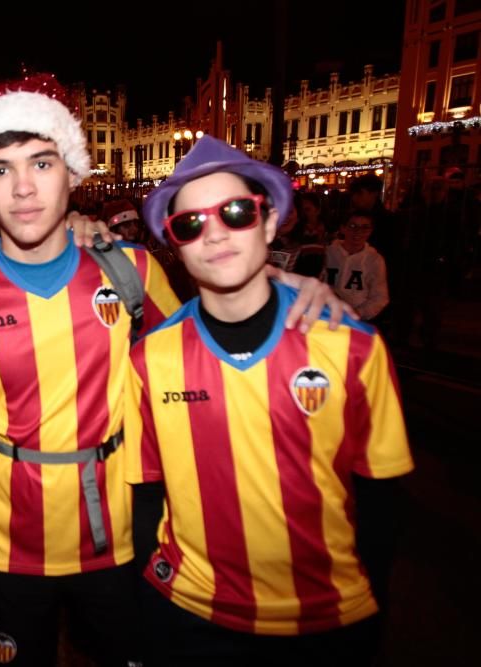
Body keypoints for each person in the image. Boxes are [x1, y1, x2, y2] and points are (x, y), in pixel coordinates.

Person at [0, 76, 347, 666]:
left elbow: (214, 336)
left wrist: (273, 284)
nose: (24, 188)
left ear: (73, 172)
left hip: (124, 542)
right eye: (1, 170)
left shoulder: (131, 272)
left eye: (42, 162)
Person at [127, 136, 413, 665]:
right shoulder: (149, 359)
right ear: (176, 245)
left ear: (267, 220)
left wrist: (371, 606)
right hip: (189, 617)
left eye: (235, 212)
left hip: (327, 621)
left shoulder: (353, 346)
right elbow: (145, 494)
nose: (213, 234)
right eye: (190, 224)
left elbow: (381, 500)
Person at [324, 212, 389, 323]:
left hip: (357, 319)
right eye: (353, 226)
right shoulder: (327, 253)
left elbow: (380, 297)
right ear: (343, 228)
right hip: (325, 315)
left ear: (370, 231)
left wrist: (357, 313)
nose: (358, 232)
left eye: (365, 227)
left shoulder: (374, 260)